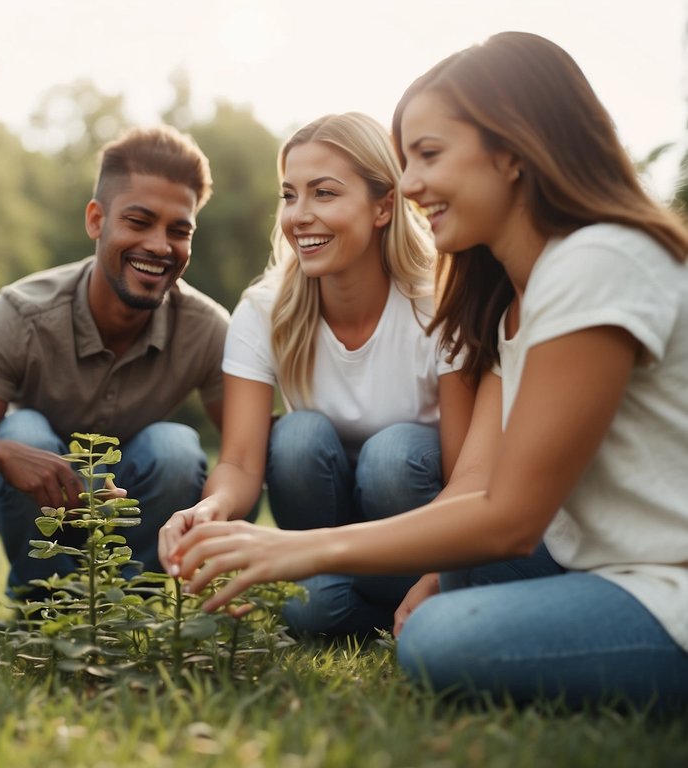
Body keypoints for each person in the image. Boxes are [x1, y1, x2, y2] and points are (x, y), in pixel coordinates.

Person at [164, 31, 688, 710]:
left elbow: (510, 519)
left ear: (513, 153)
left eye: (429, 155)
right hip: (596, 560)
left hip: (663, 582)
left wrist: (300, 551)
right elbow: (475, 487)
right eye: (406, 160)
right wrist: (440, 572)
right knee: (444, 588)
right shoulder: (510, 302)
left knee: (440, 641)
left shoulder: (598, 264)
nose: (410, 184)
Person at [158, 113, 473, 637]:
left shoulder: (438, 306)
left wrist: (440, 572)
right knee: (298, 437)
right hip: (318, 540)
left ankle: (410, 594)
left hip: (418, 532)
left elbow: (467, 479)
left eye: (324, 194)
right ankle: (349, 600)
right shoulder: (264, 311)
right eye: (289, 195)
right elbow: (238, 461)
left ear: (383, 206)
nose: (299, 215)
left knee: (391, 455)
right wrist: (208, 510)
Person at [0, 126, 230, 596]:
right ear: (96, 220)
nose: (159, 245)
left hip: (135, 512)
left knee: (177, 447)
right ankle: (43, 600)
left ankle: (136, 603)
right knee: (21, 431)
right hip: (31, 512)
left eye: (178, 230)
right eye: (139, 221)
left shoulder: (208, 328)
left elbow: (246, 455)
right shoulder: (19, 313)